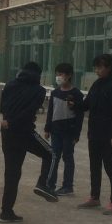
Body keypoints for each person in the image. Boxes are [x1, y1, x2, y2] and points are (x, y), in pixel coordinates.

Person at [0, 62, 58, 223]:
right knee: (51, 154)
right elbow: (29, 112)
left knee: (12, 173)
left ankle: (6, 211)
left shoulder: (10, 85)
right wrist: (14, 121)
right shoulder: (39, 91)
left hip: (7, 132)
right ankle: (43, 183)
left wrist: (9, 120)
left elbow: (2, 107)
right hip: (24, 131)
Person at [75, 54, 112, 215]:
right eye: (95, 67)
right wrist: (73, 104)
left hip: (108, 134)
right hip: (94, 132)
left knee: (110, 167)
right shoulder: (97, 84)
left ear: (108, 68)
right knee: (94, 165)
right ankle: (94, 197)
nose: (97, 70)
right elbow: (86, 104)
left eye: (100, 67)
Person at [44, 62, 85, 196]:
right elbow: (50, 112)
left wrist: (76, 134)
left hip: (69, 131)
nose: (58, 77)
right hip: (56, 131)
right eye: (57, 74)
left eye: (61, 74)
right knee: (54, 156)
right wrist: (47, 128)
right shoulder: (55, 92)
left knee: (68, 157)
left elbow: (80, 115)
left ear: (69, 76)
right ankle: (50, 185)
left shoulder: (76, 94)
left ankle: (68, 186)